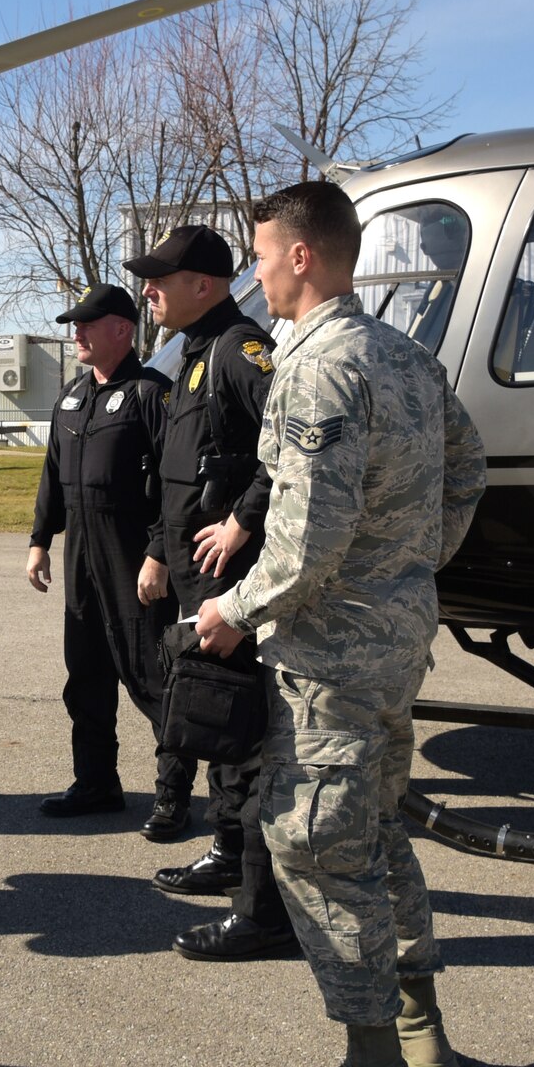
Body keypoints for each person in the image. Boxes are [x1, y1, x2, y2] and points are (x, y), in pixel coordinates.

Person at [193, 182, 485, 1067]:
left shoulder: (320, 366)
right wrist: (411, 566)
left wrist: (231, 609)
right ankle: (418, 1029)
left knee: (313, 840)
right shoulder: (406, 357)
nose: (258, 271)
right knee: (374, 826)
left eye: (263, 253)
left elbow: (307, 538)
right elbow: (469, 469)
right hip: (394, 640)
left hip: (331, 655)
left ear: (304, 255)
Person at [126, 224, 298, 963]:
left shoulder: (239, 350)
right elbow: (183, 470)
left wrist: (241, 519)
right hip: (192, 573)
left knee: (242, 738)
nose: (148, 288)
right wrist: (162, 552)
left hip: (232, 581)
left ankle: (260, 908)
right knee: (213, 728)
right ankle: (228, 855)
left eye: (162, 276)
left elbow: (287, 445)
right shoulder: (194, 352)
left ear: (209, 283)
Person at [25, 283, 173, 817]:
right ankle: (95, 784)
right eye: (75, 323)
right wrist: (41, 540)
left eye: (88, 323)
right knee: (85, 676)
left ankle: (172, 796)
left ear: (123, 330)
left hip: (135, 562)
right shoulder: (72, 395)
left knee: (154, 678)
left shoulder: (152, 394)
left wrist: (159, 553)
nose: (77, 332)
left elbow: (173, 485)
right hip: (81, 561)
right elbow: (52, 475)